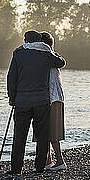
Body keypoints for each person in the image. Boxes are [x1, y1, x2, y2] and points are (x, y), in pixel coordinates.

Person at [6, 30, 66, 175]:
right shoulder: (45, 55)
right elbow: (61, 63)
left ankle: (16, 169)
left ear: (26, 41)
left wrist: (12, 97)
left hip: (22, 101)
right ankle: (39, 167)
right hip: (42, 101)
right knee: (42, 136)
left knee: (20, 136)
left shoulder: (18, 54)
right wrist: (49, 49)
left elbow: (11, 77)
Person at [28, 32, 66, 171]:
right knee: (44, 131)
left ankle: (60, 161)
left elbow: (61, 63)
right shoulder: (49, 57)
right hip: (49, 97)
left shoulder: (49, 57)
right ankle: (48, 160)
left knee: (52, 132)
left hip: (52, 98)